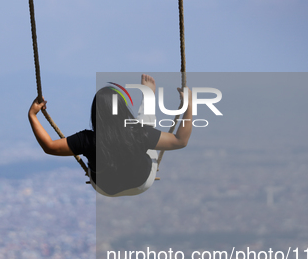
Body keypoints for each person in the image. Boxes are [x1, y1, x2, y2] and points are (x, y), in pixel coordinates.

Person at [28, 74, 193, 196]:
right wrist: (189, 105)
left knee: (141, 129)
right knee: (144, 126)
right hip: (141, 183)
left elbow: (49, 146)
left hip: (106, 188)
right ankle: (147, 96)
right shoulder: (138, 133)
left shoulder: (87, 139)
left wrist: (32, 116)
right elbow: (180, 141)